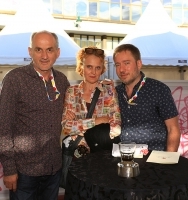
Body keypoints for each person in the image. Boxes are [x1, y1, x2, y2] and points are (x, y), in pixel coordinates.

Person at [0, 30, 70, 200]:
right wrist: (9, 169)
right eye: (38, 49)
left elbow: (73, 113)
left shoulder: (62, 80)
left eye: (50, 50)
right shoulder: (15, 79)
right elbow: (4, 125)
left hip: (53, 169)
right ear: (30, 51)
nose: (44, 56)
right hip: (24, 172)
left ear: (57, 52)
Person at [113, 44, 181, 152]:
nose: (121, 69)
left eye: (126, 63)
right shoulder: (115, 92)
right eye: (117, 65)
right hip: (123, 159)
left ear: (139, 64)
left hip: (153, 162)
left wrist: (169, 162)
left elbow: (173, 128)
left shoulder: (159, 89)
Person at [61, 46, 121, 156]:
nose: (93, 72)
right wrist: (98, 121)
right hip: (78, 156)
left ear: (102, 69)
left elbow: (116, 127)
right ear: (81, 66)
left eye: (98, 68)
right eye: (89, 67)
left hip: (103, 155)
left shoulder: (109, 91)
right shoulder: (72, 92)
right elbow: (66, 127)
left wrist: (78, 124)